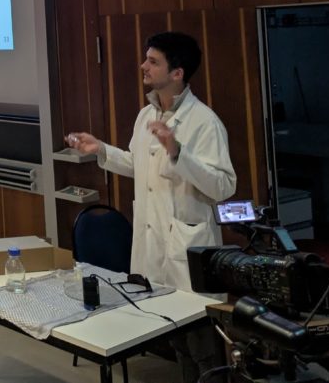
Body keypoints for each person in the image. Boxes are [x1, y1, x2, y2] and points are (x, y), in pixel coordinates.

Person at [66, 31, 235, 383]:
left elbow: (223, 186)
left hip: (187, 250)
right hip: (154, 248)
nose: (143, 66)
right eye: (146, 58)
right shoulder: (146, 115)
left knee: (202, 343)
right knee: (176, 338)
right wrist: (101, 149)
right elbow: (138, 165)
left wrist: (177, 152)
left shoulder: (205, 122)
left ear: (177, 73)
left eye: (153, 61)